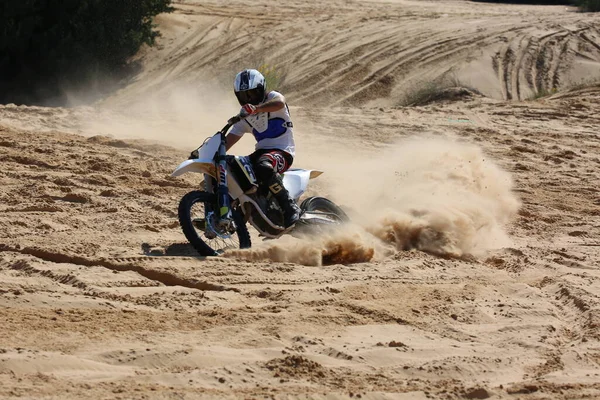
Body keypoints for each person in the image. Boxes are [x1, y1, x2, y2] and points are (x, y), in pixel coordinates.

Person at [225, 68, 301, 228]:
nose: (249, 99)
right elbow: (229, 139)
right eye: (244, 96)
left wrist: (257, 109)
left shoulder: (273, 99)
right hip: (261, 152)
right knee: (231, 166)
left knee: (263, 166)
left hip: (283, 151)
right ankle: (225, 214)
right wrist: (208, 152)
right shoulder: (244, 118)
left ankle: (290, 208)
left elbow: (280, 102)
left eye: (252, 94)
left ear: (262, 89)